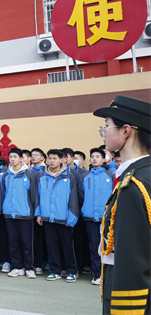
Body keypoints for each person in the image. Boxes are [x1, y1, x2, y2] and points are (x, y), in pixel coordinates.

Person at [94, 95, 150, 315]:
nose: (104, 132)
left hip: (134, 296)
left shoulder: (133, 185)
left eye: (106, 126)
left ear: (126, 131)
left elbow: (132, 260)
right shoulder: (142, 174)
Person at [35, 149, 79, 283]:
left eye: (54, 158)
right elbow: (38, 197)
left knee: (67, 245)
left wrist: (72, 217)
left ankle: (71, 271)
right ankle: (55, 270)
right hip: (47, 217)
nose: (52, 161)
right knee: (51, 245)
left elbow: (74, 198)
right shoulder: (42, 176)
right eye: (50, 158)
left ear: (61, 160)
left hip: (64, 217)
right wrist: (38, 214)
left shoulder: (69, 176)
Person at [77, 147, 113, 285]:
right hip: (90, 217)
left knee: (108, 247)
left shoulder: (111, 175)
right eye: (92, 156)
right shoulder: (85, 176)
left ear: (104, 159)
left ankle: (108, 275)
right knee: (94, 247)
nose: (94, 159)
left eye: (97, 156)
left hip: (107, 218)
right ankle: (97, 274)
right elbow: (81, 196)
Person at [2, 148, 38, 279]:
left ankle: (29, 268)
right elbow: (4, 192)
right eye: (10, 157)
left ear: (21, 159)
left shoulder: (29, 175)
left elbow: (33, 195)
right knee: (13, 242)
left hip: (25, 214)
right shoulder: (7, 175)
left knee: (27, 243)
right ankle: (18, 267)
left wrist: (34, 212)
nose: (12, 159)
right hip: (9, 214)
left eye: (15, 157)